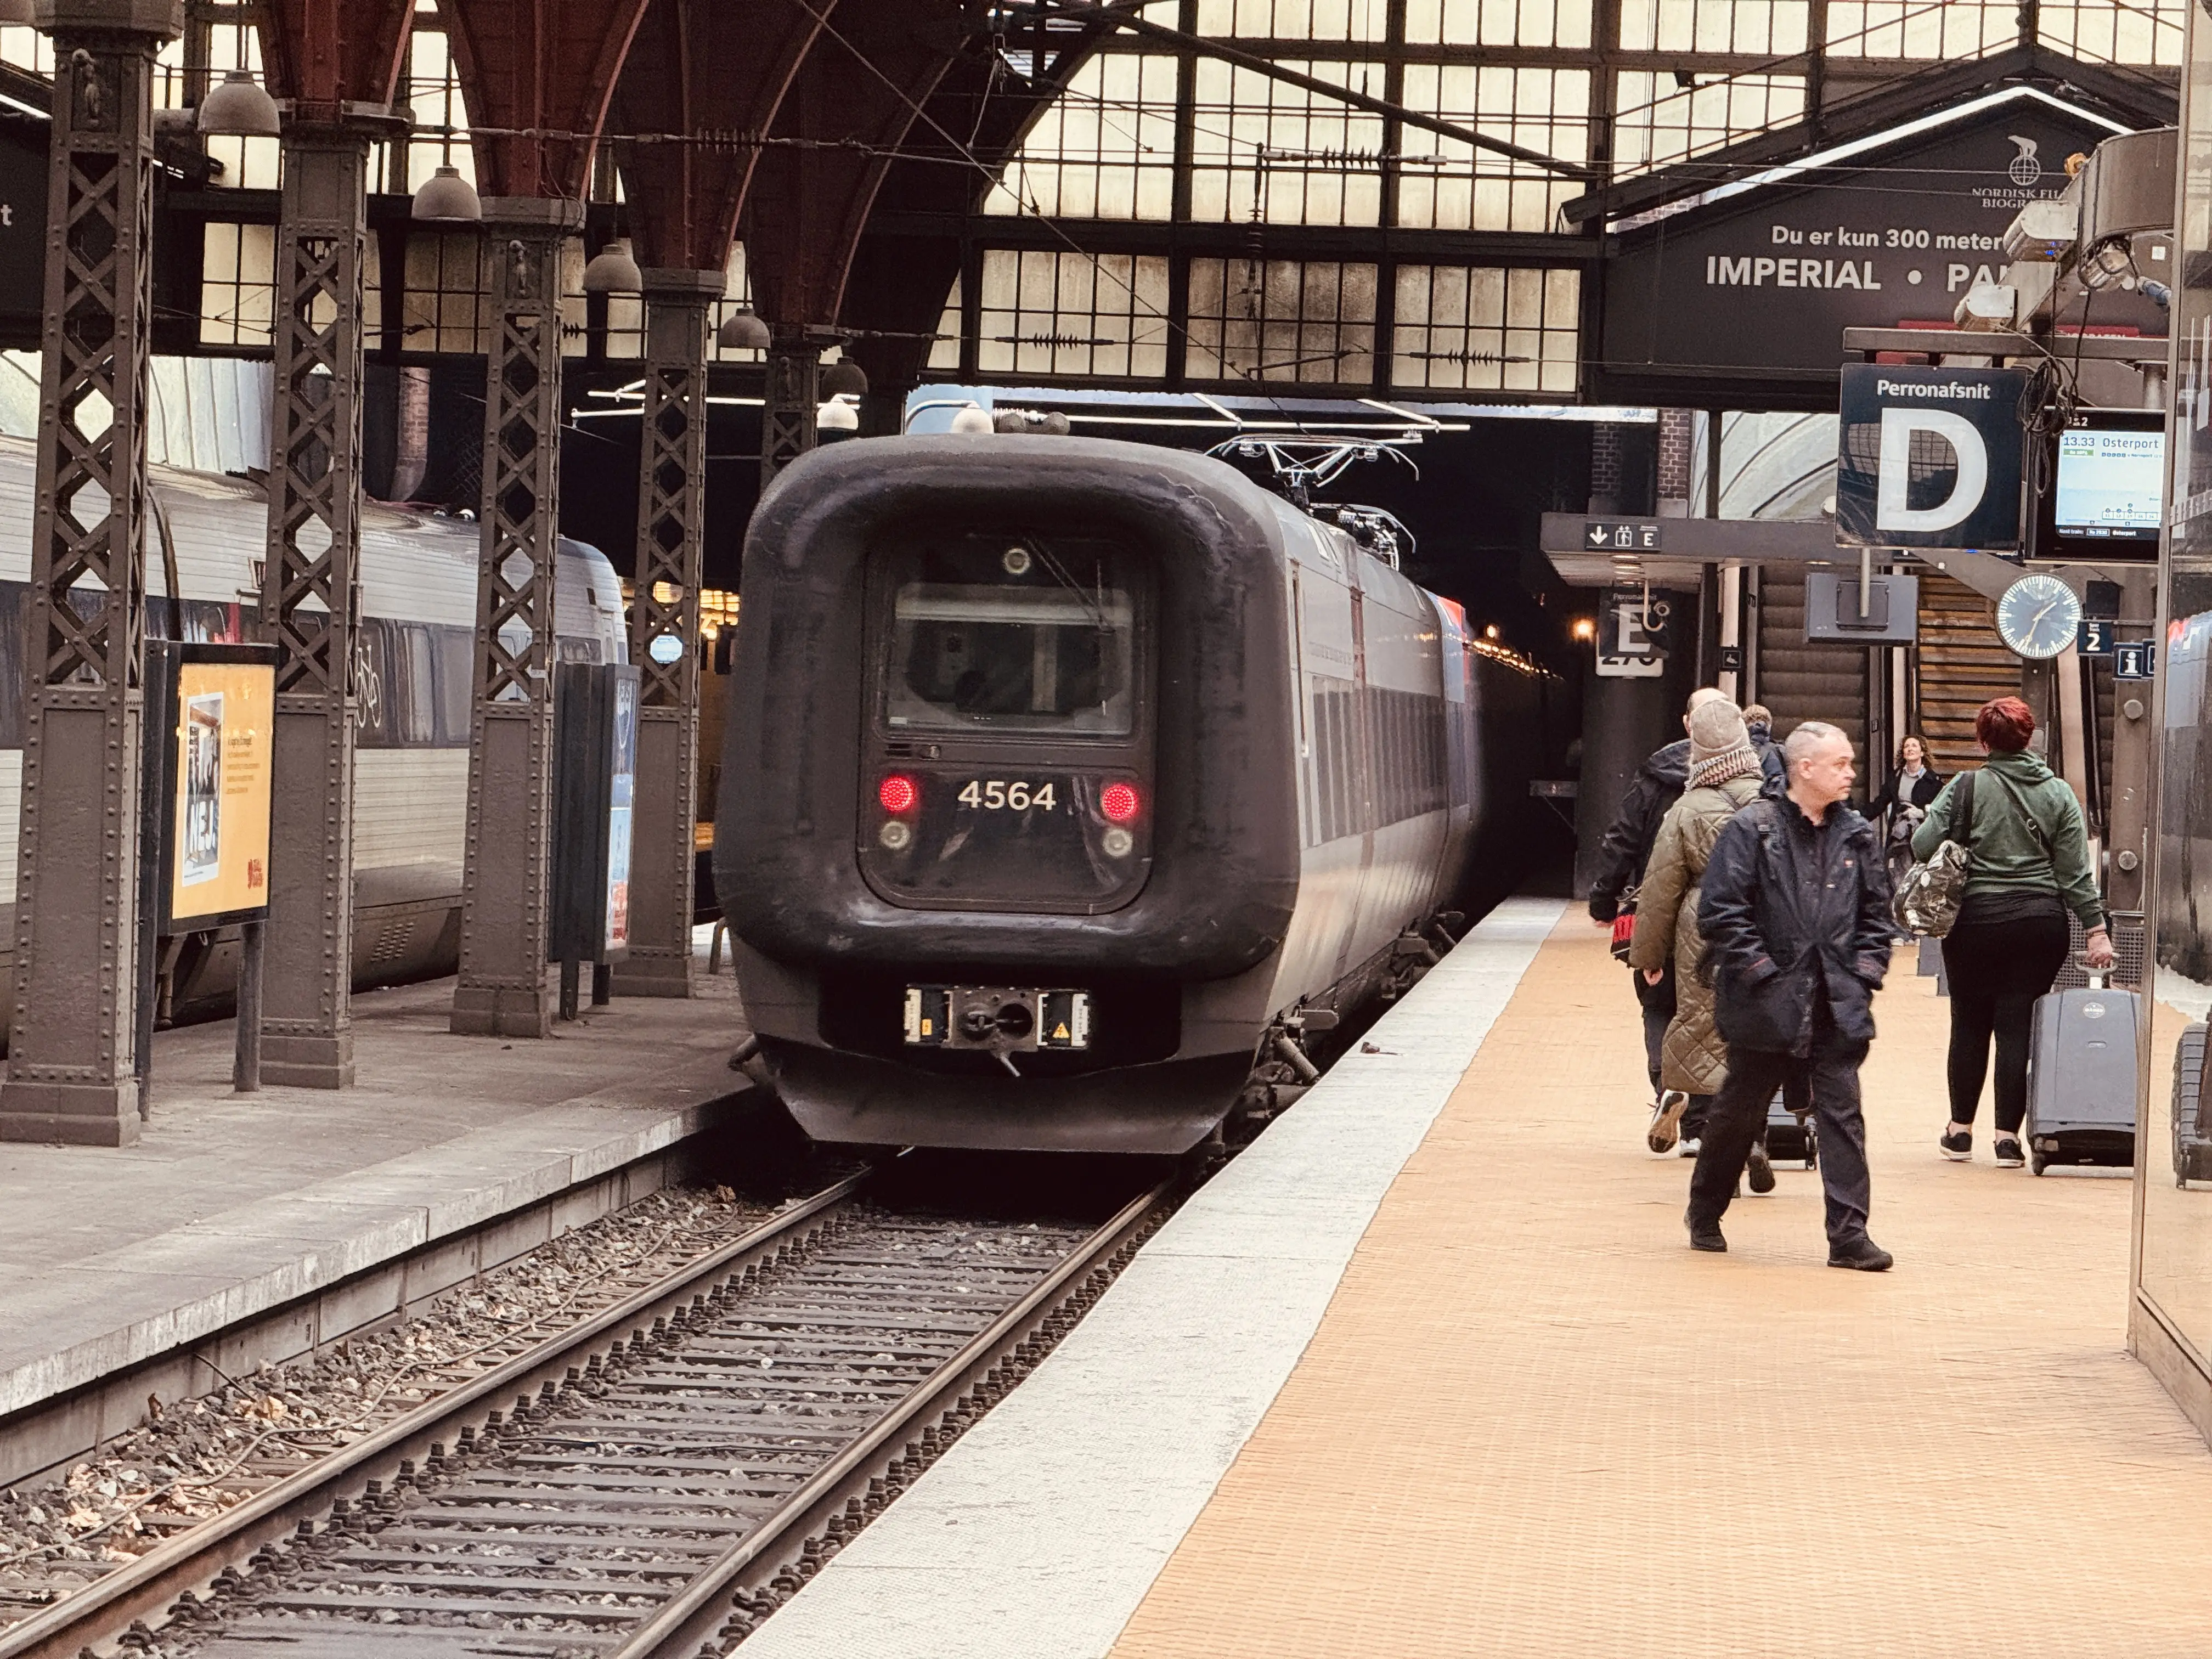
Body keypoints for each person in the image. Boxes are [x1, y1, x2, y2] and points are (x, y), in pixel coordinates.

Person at [1690, 721, 1895, 1269]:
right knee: (1740, 1109)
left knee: (1842, 1116)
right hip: (1766, 1003)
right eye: (1841, 764)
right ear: (1806, 768)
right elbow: (1721, 909)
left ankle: (1849, 1236)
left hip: (1835, 1000)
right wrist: (1761, 971)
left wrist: (1865, 973)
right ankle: (1705, 1208)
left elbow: (1878, 914)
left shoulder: (1855, 834)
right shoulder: (1752, 829)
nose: (1851, 773)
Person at [1910, 697, 2114, 1168]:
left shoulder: (1966, 786)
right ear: (2030, 737)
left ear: (1984, 742)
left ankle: (1959, 1132)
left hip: (1975, 923)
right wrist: (2096, 930)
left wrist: (1960, 834)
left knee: (1969, 1023)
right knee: (2017, 1025)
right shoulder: (2059, 793)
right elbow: (2075, 874)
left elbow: (1922, 847)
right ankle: (2008, 1140)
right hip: (2039, 924)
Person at [1628, 699, 1773, 1188]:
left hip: (1700, 928)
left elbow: (1659, 889)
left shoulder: (1686, 809)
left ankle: (1700, 1120)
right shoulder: (1771, 802)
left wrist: (1648, 958)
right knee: (1753, 1036)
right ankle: (1754, 1134)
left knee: (1701, 1030)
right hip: (1762, 928)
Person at [1589, 687, 1729, 1144]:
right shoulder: (1748, 778)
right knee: (1712, 1012)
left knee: (1657, 1002)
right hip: (1724, 914)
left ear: (1687, 724)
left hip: (1658, 906)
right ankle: (1703, 1121)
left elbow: (1623, 837)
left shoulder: (1655, 775)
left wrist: (1604, 901)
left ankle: (1667, 1090)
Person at [1870, 735, 1944, 924]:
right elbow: (1879, 804)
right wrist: (1856, 816)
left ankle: (1917, 924)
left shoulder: (1933, 781)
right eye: (1906, 746)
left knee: (1918, 879)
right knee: (1897, 878)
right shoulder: (1895, 778)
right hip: (1898, 836)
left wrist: (1921, 813)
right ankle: (1900, 926)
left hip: (1922, 836)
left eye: (1914, 746)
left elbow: (1941, 810)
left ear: (1922, 752)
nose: (1910, 749)